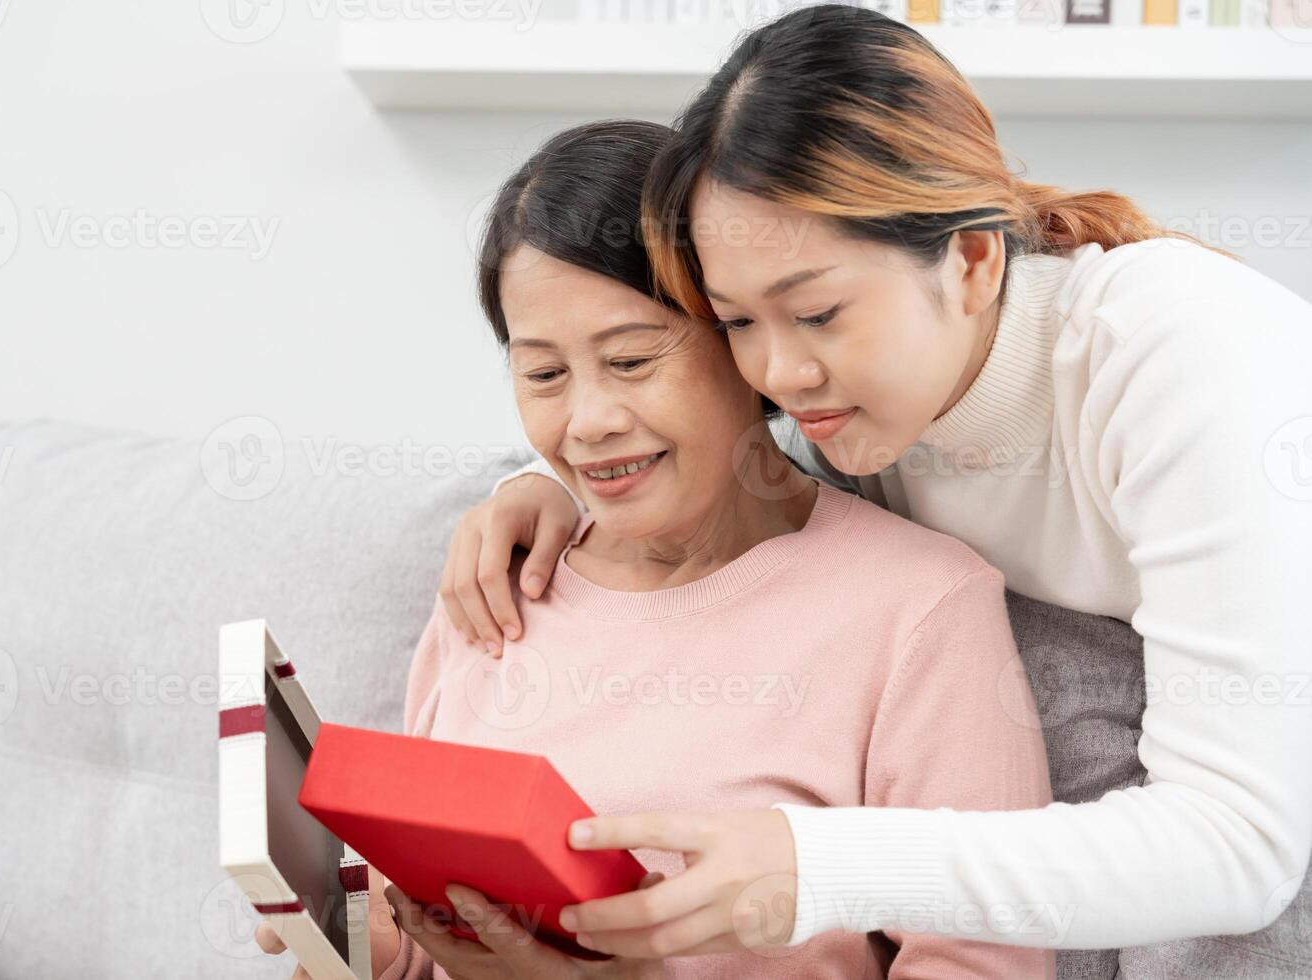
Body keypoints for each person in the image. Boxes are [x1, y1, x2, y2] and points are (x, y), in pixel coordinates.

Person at [440, 5, 1312, 974]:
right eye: (736, 320)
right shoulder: (858, 391)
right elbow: (667, 403)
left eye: (815, 311)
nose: (779, 371)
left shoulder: (1184, 353)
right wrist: (543, 485)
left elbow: (1240, 843)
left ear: (974, 259)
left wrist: (816, 864)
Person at [259, 118, 1055, 979]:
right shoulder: (497, 583)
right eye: (543, 374)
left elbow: (985, 966)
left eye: (633, 361)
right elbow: (434, 939)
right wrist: (371, 950)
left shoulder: (918, 609)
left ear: (743, 338)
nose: (588, 422)